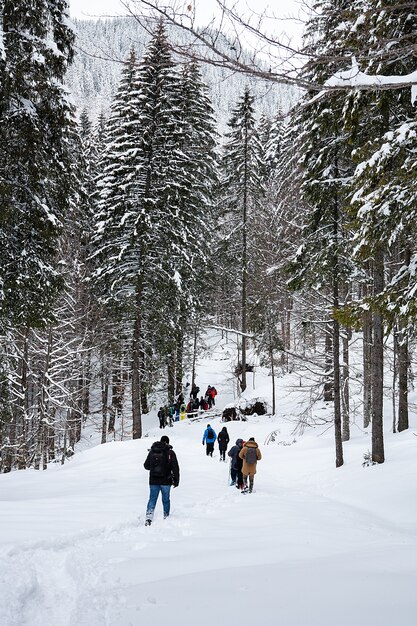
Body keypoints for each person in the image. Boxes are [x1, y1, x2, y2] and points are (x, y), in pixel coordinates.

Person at [143, 435, 180, 526]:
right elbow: (175, 468)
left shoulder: (152, 451)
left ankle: (149, 518)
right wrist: (176, 480)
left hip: (153, 480)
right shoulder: (170, 453)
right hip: (166, 481)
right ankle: (166, 516)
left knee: (152, 499)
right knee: (166, 500)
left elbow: (146, 466)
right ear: (168, 442)